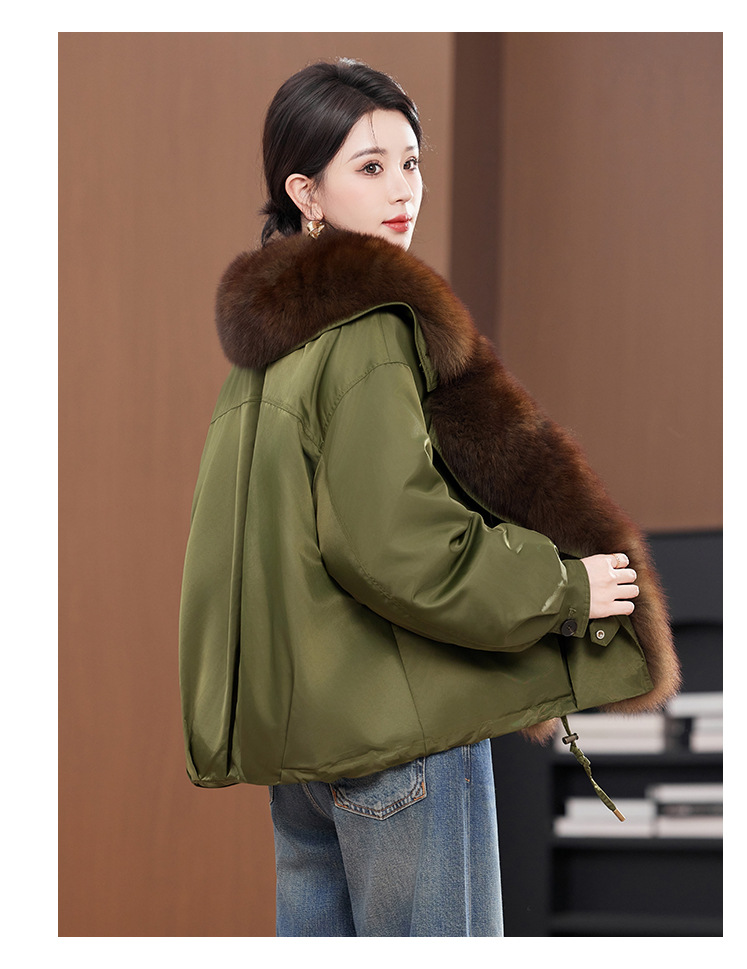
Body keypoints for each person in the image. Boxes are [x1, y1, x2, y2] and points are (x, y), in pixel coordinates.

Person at [179, 58, 680, 938]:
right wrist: (564, 585)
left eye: (410, 161)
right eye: (370, 166)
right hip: (400, 741)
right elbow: (395, 541)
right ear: (306, 191)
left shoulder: (266, 359)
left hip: (305, 755)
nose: (402, 188)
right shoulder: (371, 328)